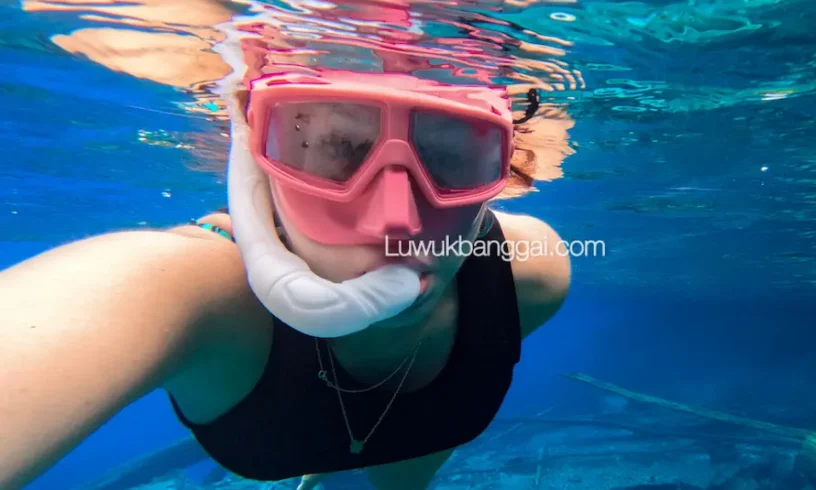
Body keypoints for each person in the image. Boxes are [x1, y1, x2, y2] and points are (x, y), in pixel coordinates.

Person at [0, 64, 571, 490]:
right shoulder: (189, 292)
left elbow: (426, 430)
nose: (394, 219)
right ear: (252, 154)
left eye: (452, 155)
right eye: (334, 147)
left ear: (503, 167)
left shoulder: (531, 276)